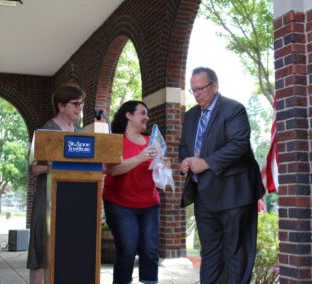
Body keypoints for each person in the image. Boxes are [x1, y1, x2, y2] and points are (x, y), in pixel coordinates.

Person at [179, 67, 265, 284]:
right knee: (210, 253)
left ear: (214, 86)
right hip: (204, 197)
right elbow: (184, 146)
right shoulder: (190, 116)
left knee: (236, 253)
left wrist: (206, 163)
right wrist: (186, 161)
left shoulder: (233, 109)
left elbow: (238, 145)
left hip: (234, 195)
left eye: (200, 89)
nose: (196, 94)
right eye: (193, 90)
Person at [103, 100, 170, 284]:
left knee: (149, 250)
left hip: (149, 204)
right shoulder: (115, 140)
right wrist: (140, 157)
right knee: (127, 249)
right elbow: (112, 170)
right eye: (143, 113)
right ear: (129, 115)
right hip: (119, 204)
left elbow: (157, 172)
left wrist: (163, 166)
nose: (147, 117)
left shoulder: (151, 141)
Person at [27, 84, 86, 284]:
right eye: (76, 103)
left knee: (69, 255)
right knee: (41, 256)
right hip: (48, 200)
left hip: (74, 200)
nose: (80, 108)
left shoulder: (81, 134)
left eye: (81, 103)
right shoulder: (45, 131)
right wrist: (57, 165)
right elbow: (35, 168)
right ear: (61, 106)